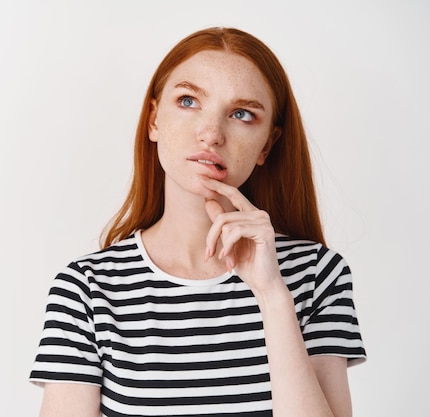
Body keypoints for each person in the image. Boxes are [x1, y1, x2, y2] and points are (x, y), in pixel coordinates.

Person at [29, 27, 366, 417]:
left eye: (242, 114)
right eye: (188, 101)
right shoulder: (86, 290)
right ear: (154, 120)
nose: (210, 134)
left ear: (267, 145)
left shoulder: (317, 276)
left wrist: (273, 298)